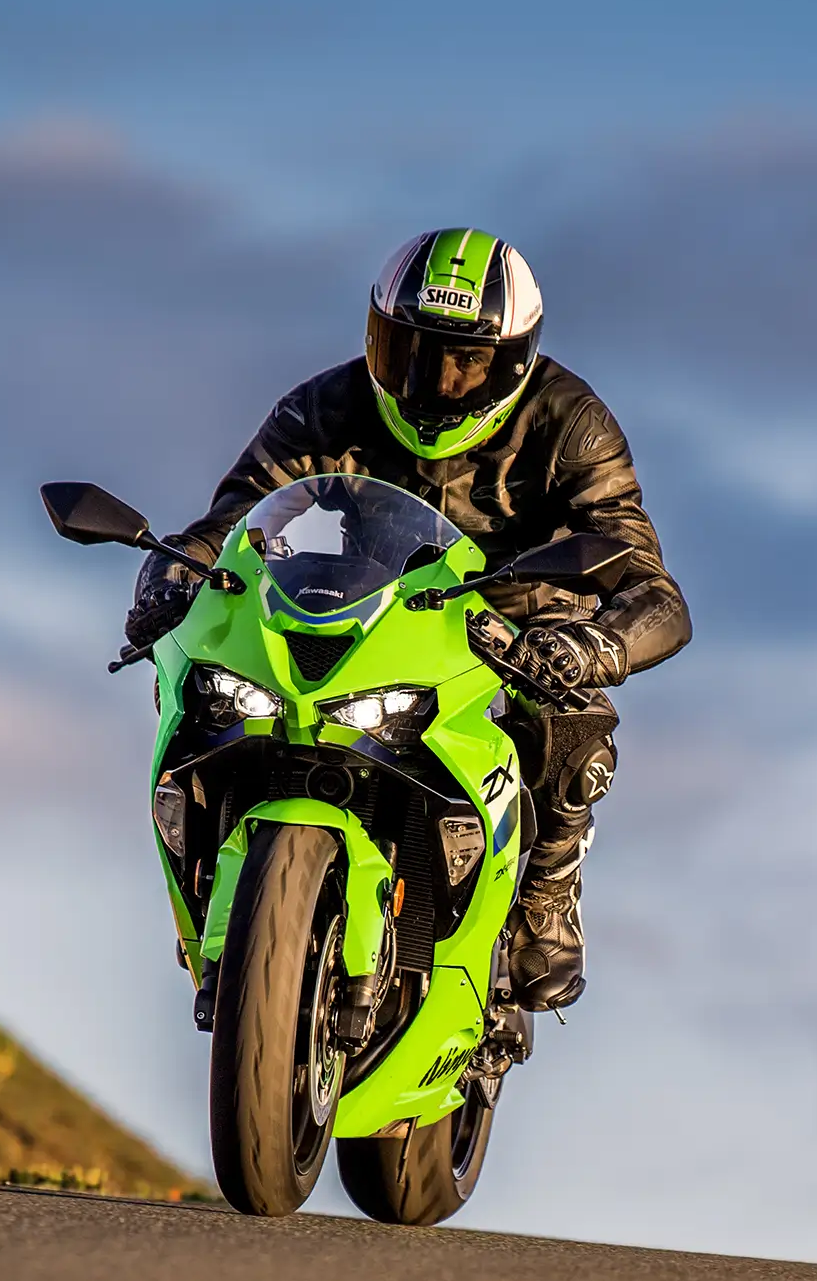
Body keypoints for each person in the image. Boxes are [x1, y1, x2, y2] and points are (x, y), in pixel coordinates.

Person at [125, 227, 690, 1011]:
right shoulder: (327, 405)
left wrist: (592, 645)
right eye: (411, 351)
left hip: (508, 627)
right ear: (376, 335)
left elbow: (653, 590)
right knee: (208, 683)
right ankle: (221, 879)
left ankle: (548, 888)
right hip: (361, 605)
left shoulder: (573, 425)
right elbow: (235, 515)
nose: (434, 381)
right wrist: (169, 575)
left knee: (573, 728)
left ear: (513, 363)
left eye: (465, 361)